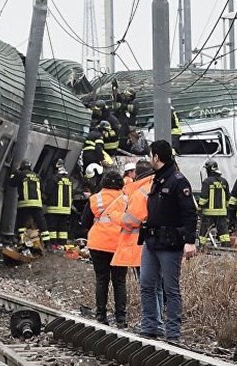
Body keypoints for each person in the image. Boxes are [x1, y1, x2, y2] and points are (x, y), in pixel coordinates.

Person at [138, 140, 197, 342]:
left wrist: (190, 241)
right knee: (146, 283)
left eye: (150, 156)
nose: (149, 159)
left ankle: (173, 333)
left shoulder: (178, 181)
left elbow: (190, 213)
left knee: (171, 289)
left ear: (156, 157)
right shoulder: (158, 179)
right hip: (152, 240)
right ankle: (150, 327)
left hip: (170, 242)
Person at [111, 161, 160, 332]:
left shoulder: (140, 192)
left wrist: (116, 216)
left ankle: (152, 323)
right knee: (158, 286)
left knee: (147, 286)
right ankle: (158, 321)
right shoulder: (157, 185)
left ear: (137, 175)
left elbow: (132, 221)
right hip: (159, 242)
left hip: (141, 245)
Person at [81, 170, 127, 326]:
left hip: (98, 243)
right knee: (119, 281)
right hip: (120, 244)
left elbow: (85, 221)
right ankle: (121, 318)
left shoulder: (95, 199)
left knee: (102, 280)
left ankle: (101, 316)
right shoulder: (126, 200)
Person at [9, 160, 50, 247]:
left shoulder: (21, 174)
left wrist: (13, 173)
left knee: (21, 223)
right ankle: (47, 244)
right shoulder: (37, 176)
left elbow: (11, 183)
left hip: (24, 203)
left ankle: (22, 241)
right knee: (42, 224)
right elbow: (42, 189)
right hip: (37, 204)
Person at [197, 160, 231, 249]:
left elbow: (203, 198)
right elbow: (228, 198)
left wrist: (200, 207)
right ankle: (226, 249)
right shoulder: (224, 181)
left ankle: (201, 249)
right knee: (224, 233)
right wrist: (226, 209)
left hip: (208, 213)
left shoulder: (207, 182)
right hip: (222, 213)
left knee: (204, 232)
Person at [43, 159, 72, 249]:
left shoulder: (54, 178)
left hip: (54, 208)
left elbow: (48, 192)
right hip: (66, 209)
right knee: (63, 227)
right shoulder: (68, 179)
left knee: (52, 227)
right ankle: (62, 244)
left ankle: (53, 244)